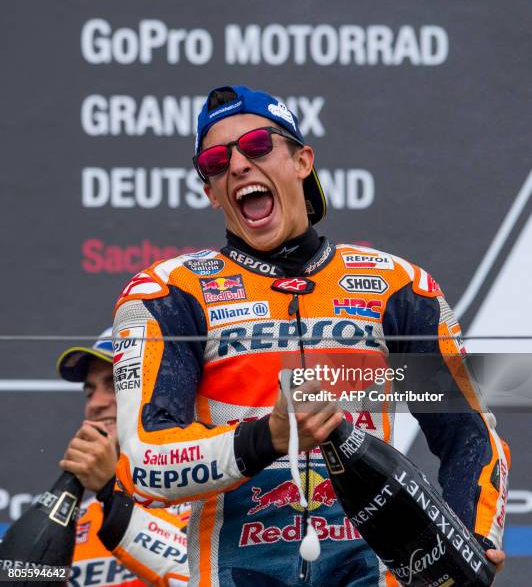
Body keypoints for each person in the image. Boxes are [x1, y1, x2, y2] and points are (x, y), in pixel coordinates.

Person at [112, 86, 509, 586]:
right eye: (215, 161)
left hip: (374, 567)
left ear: (302, 161)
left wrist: (472, 537)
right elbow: (144, 460)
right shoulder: (170, 294)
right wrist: (269, 437)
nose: (237, 166)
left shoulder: (396, 288)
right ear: (211, 192)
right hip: (234, 568)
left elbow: (468, 432)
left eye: (257, 145)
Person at [57, 328, 189, 586]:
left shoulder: (214, 502)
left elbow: (200, 578)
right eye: (89, 391)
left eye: (114, 384)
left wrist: (111, 490)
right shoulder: (78, 521)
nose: (95, 403)